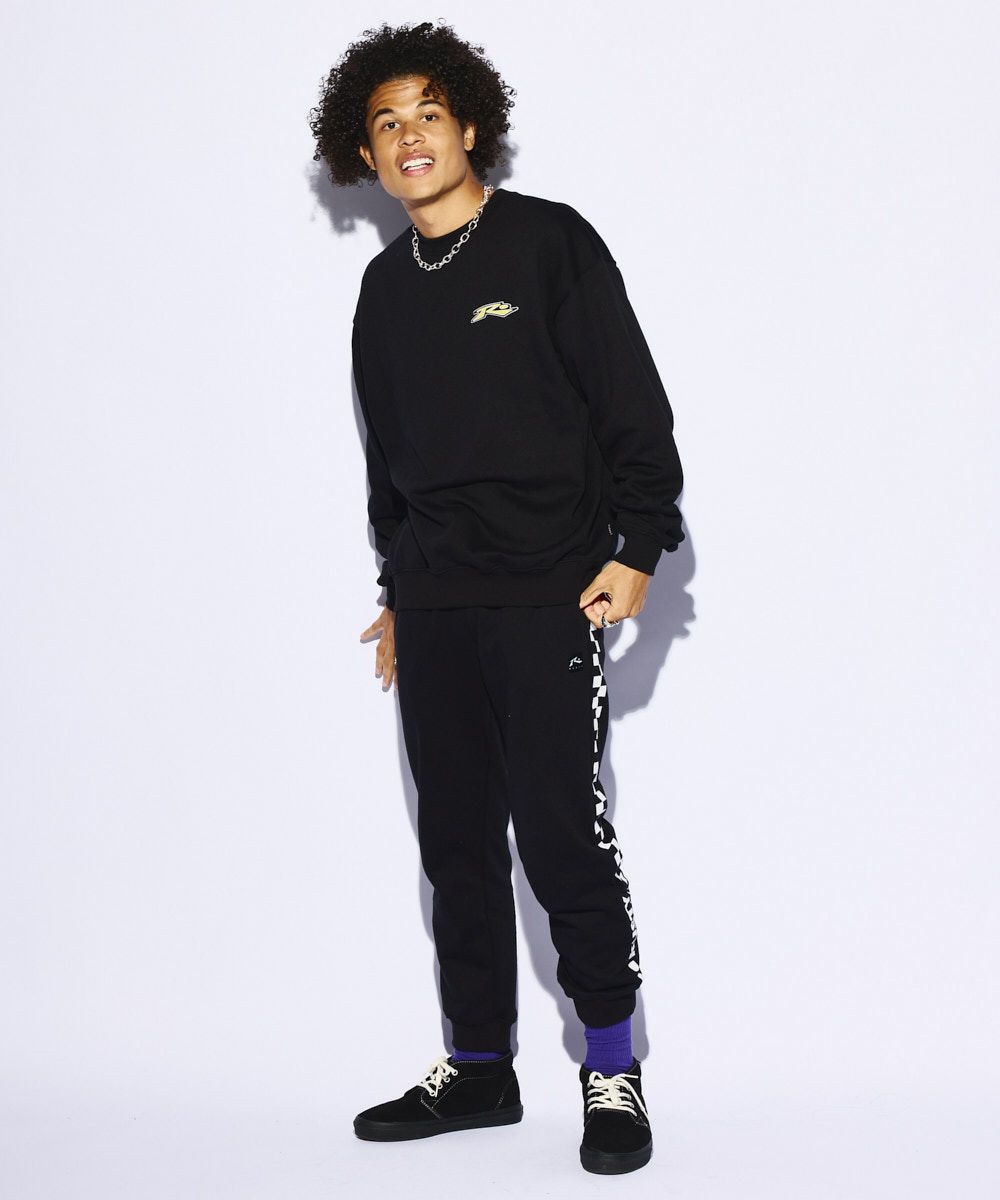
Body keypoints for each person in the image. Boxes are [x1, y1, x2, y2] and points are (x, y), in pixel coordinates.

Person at [309, 19, 684, 1176]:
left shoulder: (548, 244)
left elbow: (631, 404)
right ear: (364, 153)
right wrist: (396, 589)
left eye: (427, 113)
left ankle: (610, 1069)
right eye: (385, 123)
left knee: (563, 836)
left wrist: (640, 542)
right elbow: (388, 462)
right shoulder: (382, 290)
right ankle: (478, 1070)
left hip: (547, 594)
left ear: (468, 126)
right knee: (455, 845)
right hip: (433, 605)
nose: (408, 136)